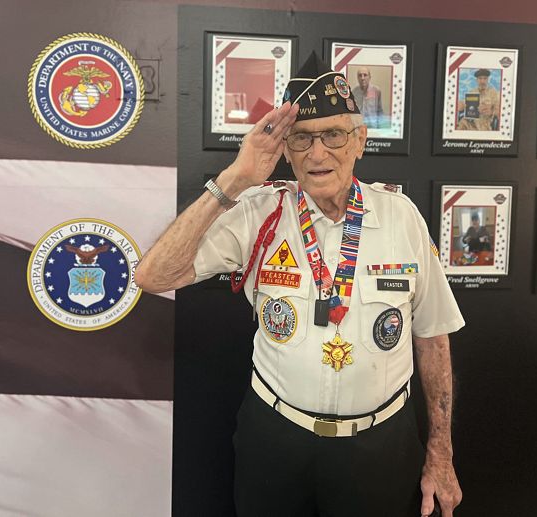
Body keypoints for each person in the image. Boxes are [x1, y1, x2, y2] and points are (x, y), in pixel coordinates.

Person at [135, 52, 465, 517]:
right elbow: (153, 275)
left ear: (360, 141)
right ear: (284, 150)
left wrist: (441, 452)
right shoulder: (257, 212)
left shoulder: (400, 217)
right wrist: (235, 178)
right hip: (275, 441)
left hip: (380, 447)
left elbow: (432, 335)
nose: (317, 153)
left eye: (333, 134)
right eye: (301, 139)